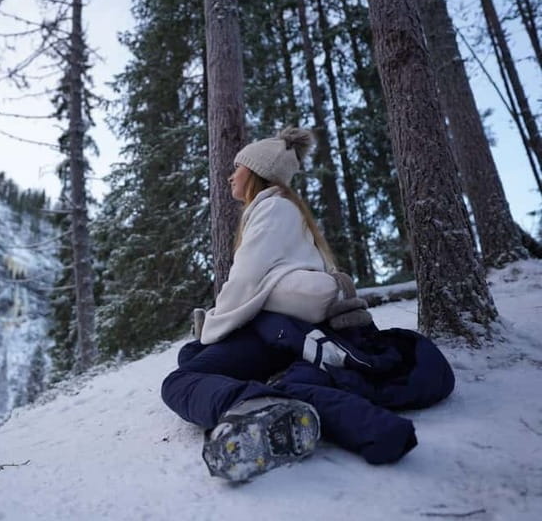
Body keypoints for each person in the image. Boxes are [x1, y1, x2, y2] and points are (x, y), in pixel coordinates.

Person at [160, 127, 455, 482]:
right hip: (292, 336)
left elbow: (244, 280)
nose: (230, 175)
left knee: (180, 380)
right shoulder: (283, 210)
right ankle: (301, 411)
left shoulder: (273, 208)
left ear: (255, 172)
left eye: (237, 167)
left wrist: (211, 328)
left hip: (279, 333)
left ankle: (256, 407)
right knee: (201, 358)